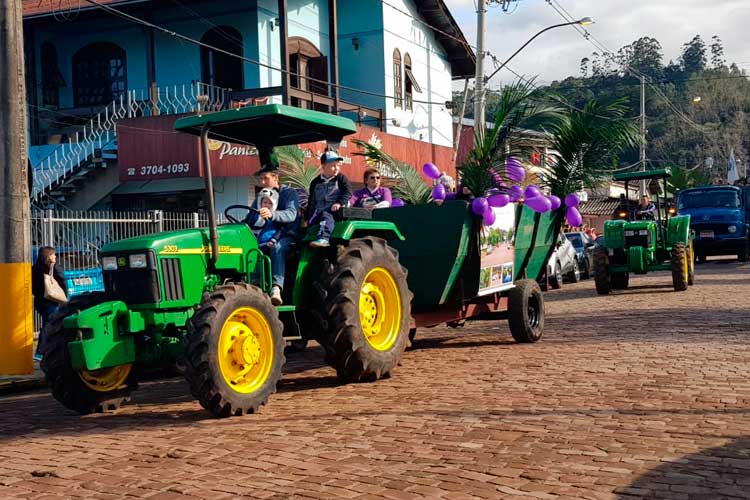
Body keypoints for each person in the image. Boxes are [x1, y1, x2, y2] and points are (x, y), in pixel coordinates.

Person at [247, 164, 300, 306]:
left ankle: (276, 288)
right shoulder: (262, 196)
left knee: (277, 248)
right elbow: (250, 215)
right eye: (260, 179)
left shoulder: (289, 193)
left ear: (276, 178)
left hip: (287, 234)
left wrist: (272, 214)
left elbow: (291, 214)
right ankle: (252, 285)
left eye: (265, 178)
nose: (262, 182)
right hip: (269, 234)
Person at [305, 149, 352, 248]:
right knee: (309, 226)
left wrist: (339, 202)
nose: (336, 168)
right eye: (333, 166)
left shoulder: (341, 178)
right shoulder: (315, 182)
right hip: (319, 213)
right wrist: (307, 218)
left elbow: (348, 192)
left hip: (335, 212)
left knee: (326, 215)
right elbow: (311, 201)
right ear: (323, 166)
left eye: (338, 165)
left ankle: (324, 239)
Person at [31, 246, 68, 361]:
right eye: (53, 254)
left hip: (39, 301)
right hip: (51, 302)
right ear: (48, 257)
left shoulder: (34, 268)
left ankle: (49, 351)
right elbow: (63, 281)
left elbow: (33, 287)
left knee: (50, 323)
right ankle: (40, 352)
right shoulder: (54, 267)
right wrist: (64, 296)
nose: (55, 256)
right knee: (49, 325)